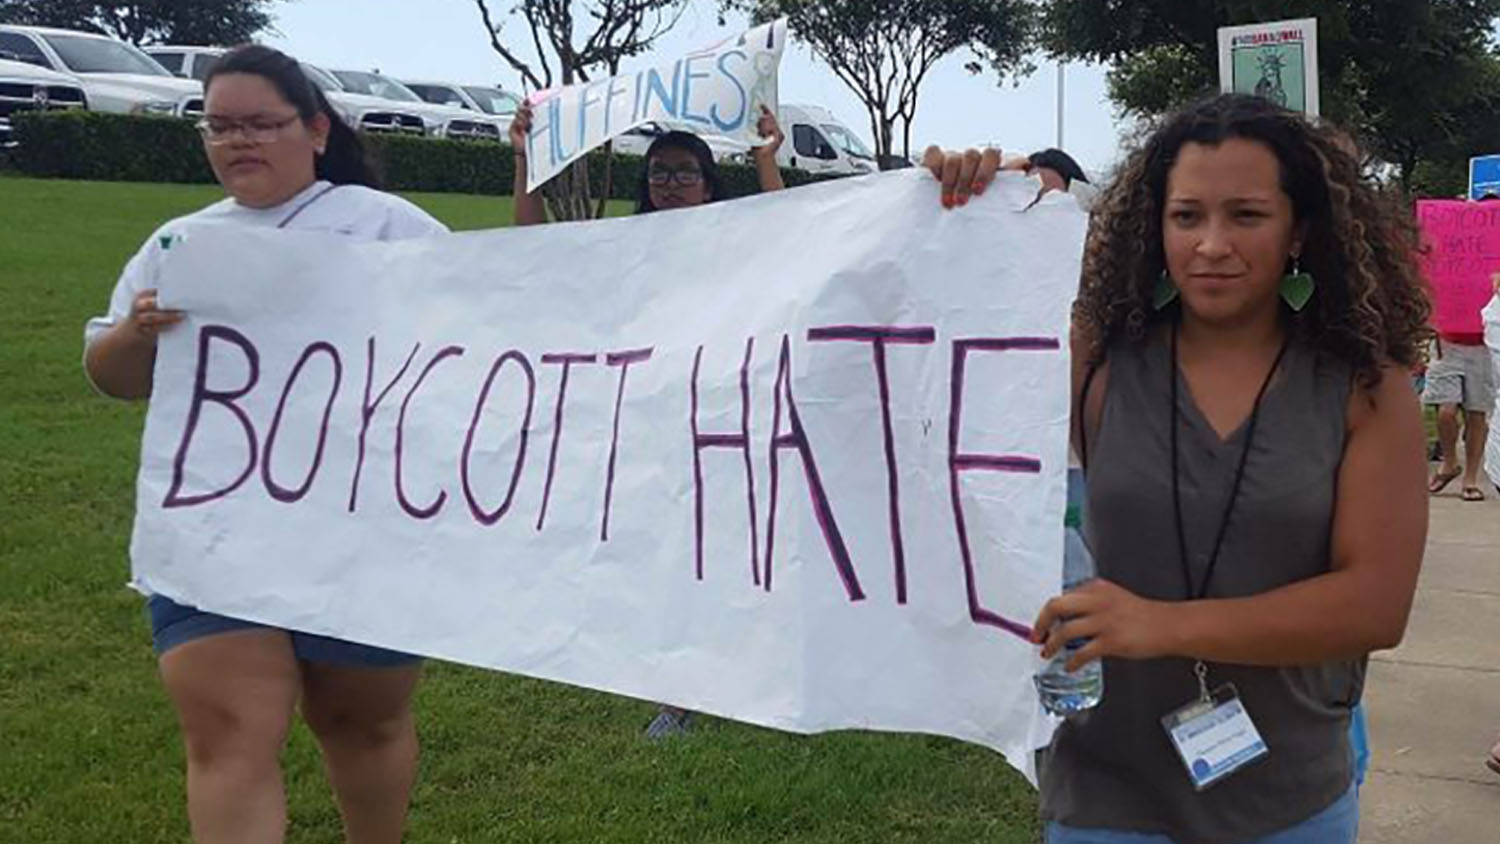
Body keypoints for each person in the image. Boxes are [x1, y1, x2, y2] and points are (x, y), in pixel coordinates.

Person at [1035, 94, 1429, 843]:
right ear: (1156, 227)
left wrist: (1161, 626)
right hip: (1106, 793)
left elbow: (1376, 606)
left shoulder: (1365, 390)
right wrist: (965, 197)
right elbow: (942, 322)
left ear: (1299, 231)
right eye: (1187, 216)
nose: (1212, 244)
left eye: (1246, 215)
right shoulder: (1097, 363)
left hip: (1289, 798)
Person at [83, 44, 447, 844]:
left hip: (359, 523)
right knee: (226, 735)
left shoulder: (389, 228)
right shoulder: (181, 243)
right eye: (218, 127)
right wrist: (137, 331)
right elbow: (112, 376)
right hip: (216, 527)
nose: (237, 141)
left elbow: (481, 343)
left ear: (315, 130)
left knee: (362, 725)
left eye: (259, 123)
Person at [509, 103, 787, 225]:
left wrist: (765, 160)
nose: (671, 184)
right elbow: (536, 248)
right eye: (659, 173)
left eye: (685, 173)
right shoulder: (626, 242)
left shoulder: (729, 237)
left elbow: (787, 233)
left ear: (707, 187)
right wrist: (524, 157)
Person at [1424, 249, 1496, 501]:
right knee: (1445, 410)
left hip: (1483, 345)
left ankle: (1471, 478)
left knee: (1477, 414)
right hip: (1448, 342)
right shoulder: (1447, 249)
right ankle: (1450, 462)